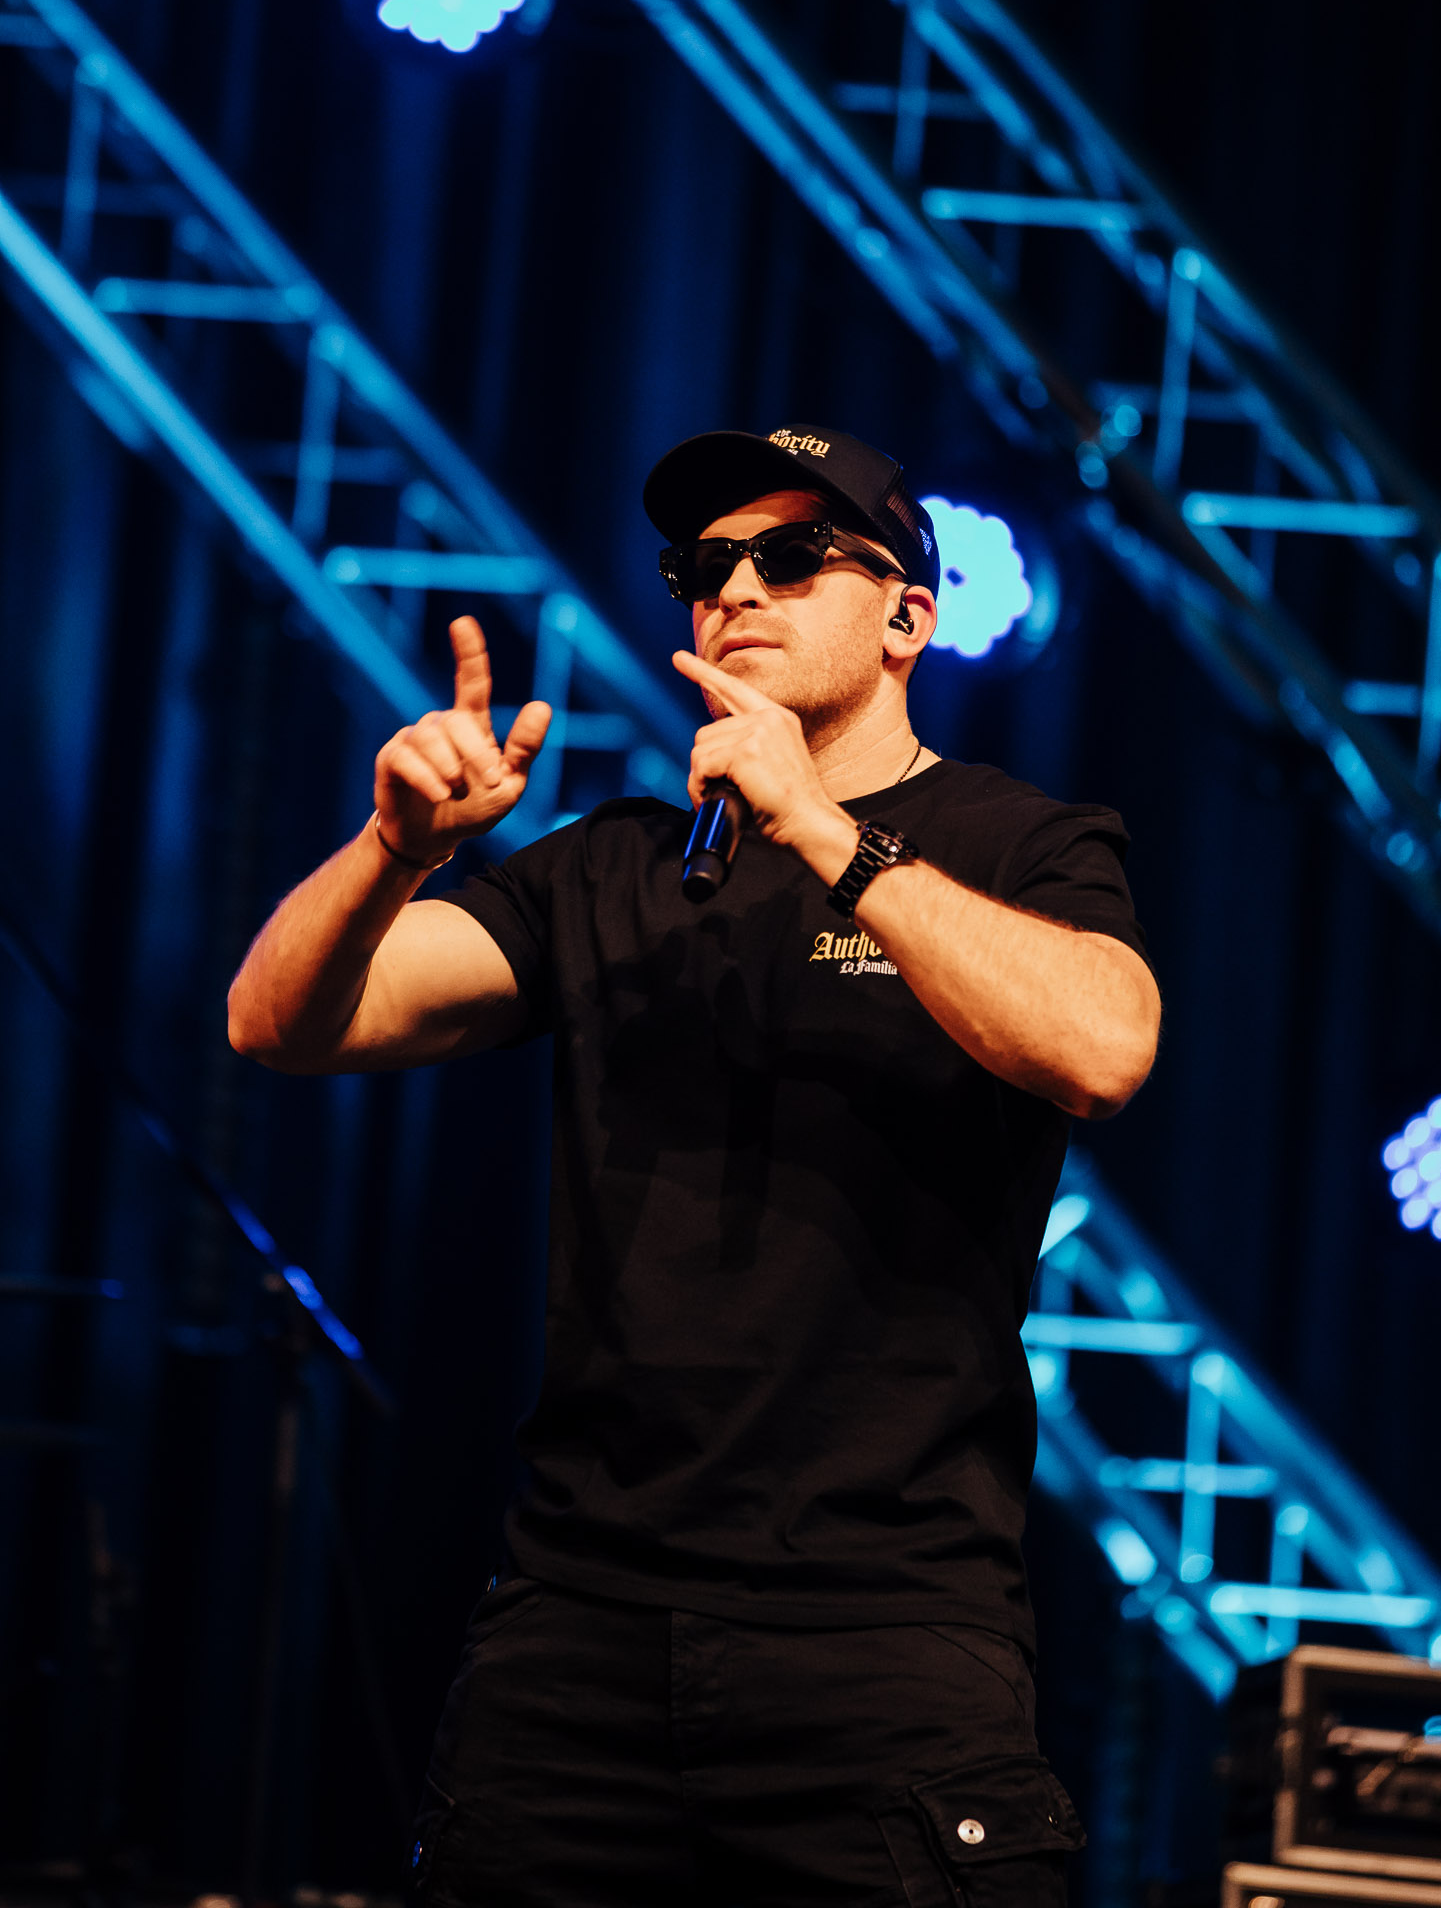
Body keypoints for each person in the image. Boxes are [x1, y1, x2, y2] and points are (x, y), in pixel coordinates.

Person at [229, 423, 1160, 1908]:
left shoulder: (1016, 843)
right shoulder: (613, 866)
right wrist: (393, 847)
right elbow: (280, 1022)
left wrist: (826, 831)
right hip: (577, 1636)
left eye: (791, 558)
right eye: (702, 566)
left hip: (884, 1640)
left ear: (909, 618)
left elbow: (1104, 1049)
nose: (734, 589)